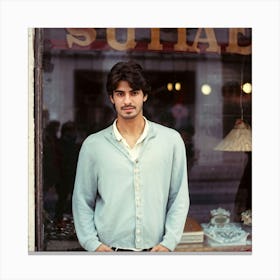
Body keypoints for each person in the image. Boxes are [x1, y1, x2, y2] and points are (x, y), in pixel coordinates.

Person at [72, 61, 190, 252]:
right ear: (111, 98)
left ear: (145, 95)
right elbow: (82, 201)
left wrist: (169, 242)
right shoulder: (93, 146)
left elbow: (179, 197)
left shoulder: (171, 141)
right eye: (120, 94)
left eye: (134, 92)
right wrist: (92, 244)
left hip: (156, 253)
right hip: (109, 254)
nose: (127, 101)